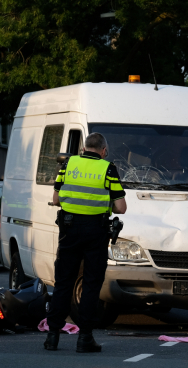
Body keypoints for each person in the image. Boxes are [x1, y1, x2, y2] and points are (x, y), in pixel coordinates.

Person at [44, 132, 127, 353]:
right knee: (91, 283)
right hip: (95, 231)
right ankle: (85, 337)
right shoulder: (108, 169)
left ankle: (52, 336)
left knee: (63, 282)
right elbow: (121, 208)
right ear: (104, 151)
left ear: (83, 148)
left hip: (69, 229)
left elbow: (56, 199)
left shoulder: (68, 164)